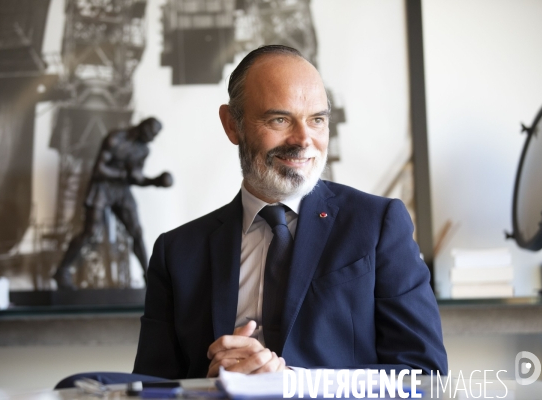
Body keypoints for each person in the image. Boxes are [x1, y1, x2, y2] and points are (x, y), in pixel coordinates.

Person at [133, 45, 447, 378]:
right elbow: (151, 388)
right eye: (279, 119)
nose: (303, 140)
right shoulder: (177, 253)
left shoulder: (379, 224)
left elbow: (425, 375)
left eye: (317, 120)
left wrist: (292, 382)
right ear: (232, 125)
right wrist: (208, 387)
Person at [53, 117, 173, 290]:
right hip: (101, 188)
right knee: (90, 232)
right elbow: (99, 170)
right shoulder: (116, 138)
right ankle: (62, 270)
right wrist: (124, 175)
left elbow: (135, 178)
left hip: (121, 190)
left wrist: (155, 181)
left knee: (137, 232)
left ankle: (149, 276)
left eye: (155, 136)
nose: (152, 139)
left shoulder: (143, 150)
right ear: (143, 127)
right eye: (151, 133)